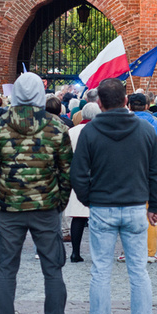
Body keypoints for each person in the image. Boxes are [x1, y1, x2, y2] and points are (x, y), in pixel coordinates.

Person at [0, 72, 72, 314]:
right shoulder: (56, 126)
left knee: (6, 270)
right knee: (52, 269)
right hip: (46, 206)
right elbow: (67, 171)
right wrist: (60, 201)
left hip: (10, 207)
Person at [70, 78, 157, 314]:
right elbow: (156, 171)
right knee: (139, 272)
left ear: (99, 103)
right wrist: (155, 205)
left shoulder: (89, 131)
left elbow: (77, 174)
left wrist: (89, 199)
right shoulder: (145, 129)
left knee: (101, 271)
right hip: (135, 206)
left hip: (102, 206)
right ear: (125, 101)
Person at [127, 93, 157, 263]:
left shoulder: (123, 124)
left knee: (128, 215)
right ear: (147, 106)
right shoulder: (155, 125)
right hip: (149, 174)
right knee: (151, 214)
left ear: (129, 106)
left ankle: (127, 251)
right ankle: (150, 252)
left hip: (128, 175)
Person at [65, 102, 101, 262]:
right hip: (97, 176)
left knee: (78, 217)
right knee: (97, 218)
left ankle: (75, 252)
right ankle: (97, 252)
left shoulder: (71, 132)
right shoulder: (100, 132)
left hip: (76, 176)